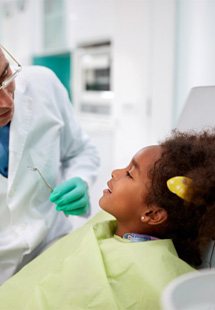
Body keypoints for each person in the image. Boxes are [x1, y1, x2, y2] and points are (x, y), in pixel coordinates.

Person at [0, 129, 214, 309]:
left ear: (153, 214)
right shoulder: (108, 224)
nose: (115, 172)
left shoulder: (158, 279)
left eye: (130, 174)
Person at [0, 44, 100, 284]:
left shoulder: (42, 84)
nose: (5, 102)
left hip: (53, 242)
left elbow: (81, 151)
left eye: (4, 76)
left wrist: (81, 179)